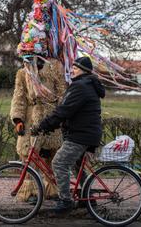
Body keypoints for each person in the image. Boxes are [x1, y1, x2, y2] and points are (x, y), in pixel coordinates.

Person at [31, 56, 106, 213]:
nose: (72, 70)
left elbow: (64, 110)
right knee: (77, 166)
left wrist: (44, 125)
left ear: (83, 71)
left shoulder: (81, 86)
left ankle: (65, 201)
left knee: (59, 163)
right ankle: (89, 199)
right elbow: (69, 110)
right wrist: (54, 124)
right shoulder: (87, 85)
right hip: (86, 133)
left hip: (81, 135)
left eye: (75, 68)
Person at [10, 55, 67, 202]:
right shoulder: (23, 72)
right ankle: (31, 191)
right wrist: (18, 119)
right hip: (31, 119)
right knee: (29, 154)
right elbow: (19, 96)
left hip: (51, 118)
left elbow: (62, 93)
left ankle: (51, 189)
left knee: (51, 155)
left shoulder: (55, 68)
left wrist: (60, 115)